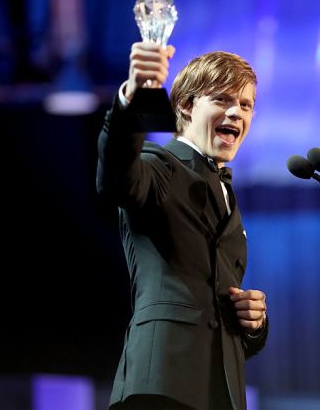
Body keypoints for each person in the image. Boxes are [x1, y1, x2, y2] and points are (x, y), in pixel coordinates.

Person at [96, 41, 269, 410]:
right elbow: (116, 175)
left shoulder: (225, 194)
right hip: (162, 384)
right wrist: (134, 97)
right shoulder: (160, 168)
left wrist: (253, 325)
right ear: (187, 106)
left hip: (219, 392)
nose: (236, 112)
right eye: (223, 100)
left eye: (245, 105)